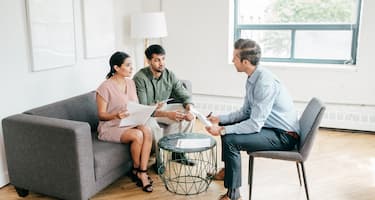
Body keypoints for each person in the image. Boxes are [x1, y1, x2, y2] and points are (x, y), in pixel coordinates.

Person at [205, 39, 300, 200]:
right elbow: (245, 112)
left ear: (246, 62)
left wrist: (222, 129)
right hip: (270, 128)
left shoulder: (264, 83)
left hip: (284, 136)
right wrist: (220, 119)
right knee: (228, 130)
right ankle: (229, 172)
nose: (232, 60)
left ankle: (233, 195)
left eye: (234, 57)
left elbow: (254, 124)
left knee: (230, 139)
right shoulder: (253, 78)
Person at [96, 51, 153, 193]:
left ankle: (143, 171)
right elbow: (101, 115)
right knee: (137, 135)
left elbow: (135, 105)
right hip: (110, 126)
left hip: (128, 121)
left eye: (131, 65)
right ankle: (136, 168)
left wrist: (146, 110)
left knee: (147, 130)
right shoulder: (105, 87)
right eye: (128, 65)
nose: (131, 68)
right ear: (116, 67)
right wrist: (116, 115)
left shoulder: (131, 83)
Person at [133, 44, 196, 167]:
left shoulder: (169, 75)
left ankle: (178, 153)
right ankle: (159, 160)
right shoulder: (139, 78)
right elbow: (144, 108)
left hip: (163, 109)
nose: (161, 63)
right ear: (148, 61)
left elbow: (184, 95)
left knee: (188, 116)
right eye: (157, 60)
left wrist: (189, 108)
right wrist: (168, 114)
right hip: (147, 114)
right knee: (153, 127)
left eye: (163, 59)